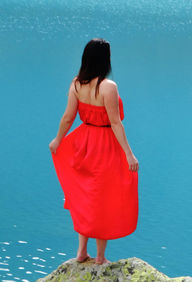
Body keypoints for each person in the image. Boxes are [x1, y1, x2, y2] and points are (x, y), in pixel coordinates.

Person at [49, 38, 139, 265]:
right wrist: (129, 153)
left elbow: (68, 117)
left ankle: (81, 251)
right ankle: (99, 257)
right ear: (105, 59)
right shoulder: (109, 87)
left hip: (83, 143)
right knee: (103, 198)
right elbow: (116, 123)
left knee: (85, 196)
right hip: (105, 146)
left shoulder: (77, 84)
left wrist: (58, 140)